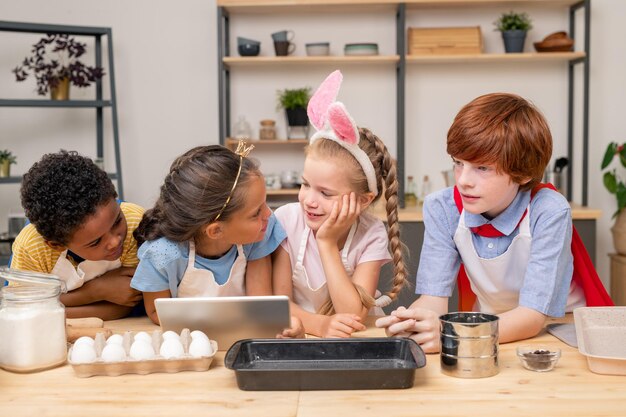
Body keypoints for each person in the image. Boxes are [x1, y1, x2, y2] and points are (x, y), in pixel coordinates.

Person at [376, 93, 613, 352]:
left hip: (557, 329)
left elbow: (533, 317)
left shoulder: (548, 211)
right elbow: (433, 299)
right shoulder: (442, 208)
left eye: (483, 168)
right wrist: (411, 324)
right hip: (487, 328)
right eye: (458, 163)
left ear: (522, 173)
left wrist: (451, 333)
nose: (463, 180)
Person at [272, 70, 408, 338]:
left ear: (362, 200)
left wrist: (326, 243)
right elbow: (279, 305)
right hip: (300, 335)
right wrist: (320, 326)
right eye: (305, 184)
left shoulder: (371, 232)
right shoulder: (286, 220)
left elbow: (353, 314)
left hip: (355, 338)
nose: (309, 200)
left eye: (326, 193)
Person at [130, 143, 303, 337]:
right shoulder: (164, 255)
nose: (268, 214)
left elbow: (259, 302)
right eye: (256, 213)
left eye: (265, 204)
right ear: (215, 230)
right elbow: (155, 312)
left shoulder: (258, 235)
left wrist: (284, 326)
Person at [10, 150, 145, 320]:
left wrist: (51, 310)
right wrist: (96, 290)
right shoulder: (31, 248)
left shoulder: (136, 224)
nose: (115, 241)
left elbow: (125, 304)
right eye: (96, 242)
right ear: (56, 244)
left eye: (117, 221)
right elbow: (26, 311)